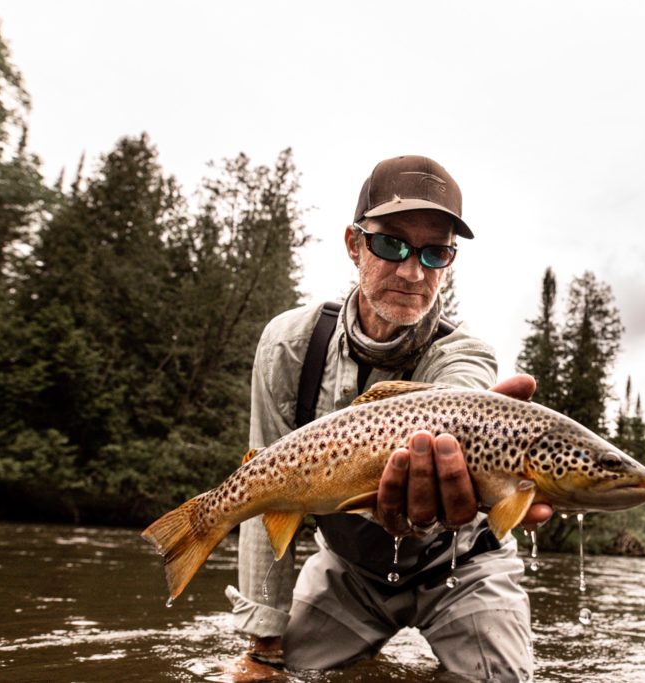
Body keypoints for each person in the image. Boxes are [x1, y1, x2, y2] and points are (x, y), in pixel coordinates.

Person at [225, 155, 552, 681]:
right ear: (354, 245)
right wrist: (263, 648)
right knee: (282, 675)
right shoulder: (289, 345)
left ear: (449, 262)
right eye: (391, 244)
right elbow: (262, 489)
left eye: (434, 252)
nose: (412, 270)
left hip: (463, 566)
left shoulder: (465, 355)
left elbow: (460, 396)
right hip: (349, 571)